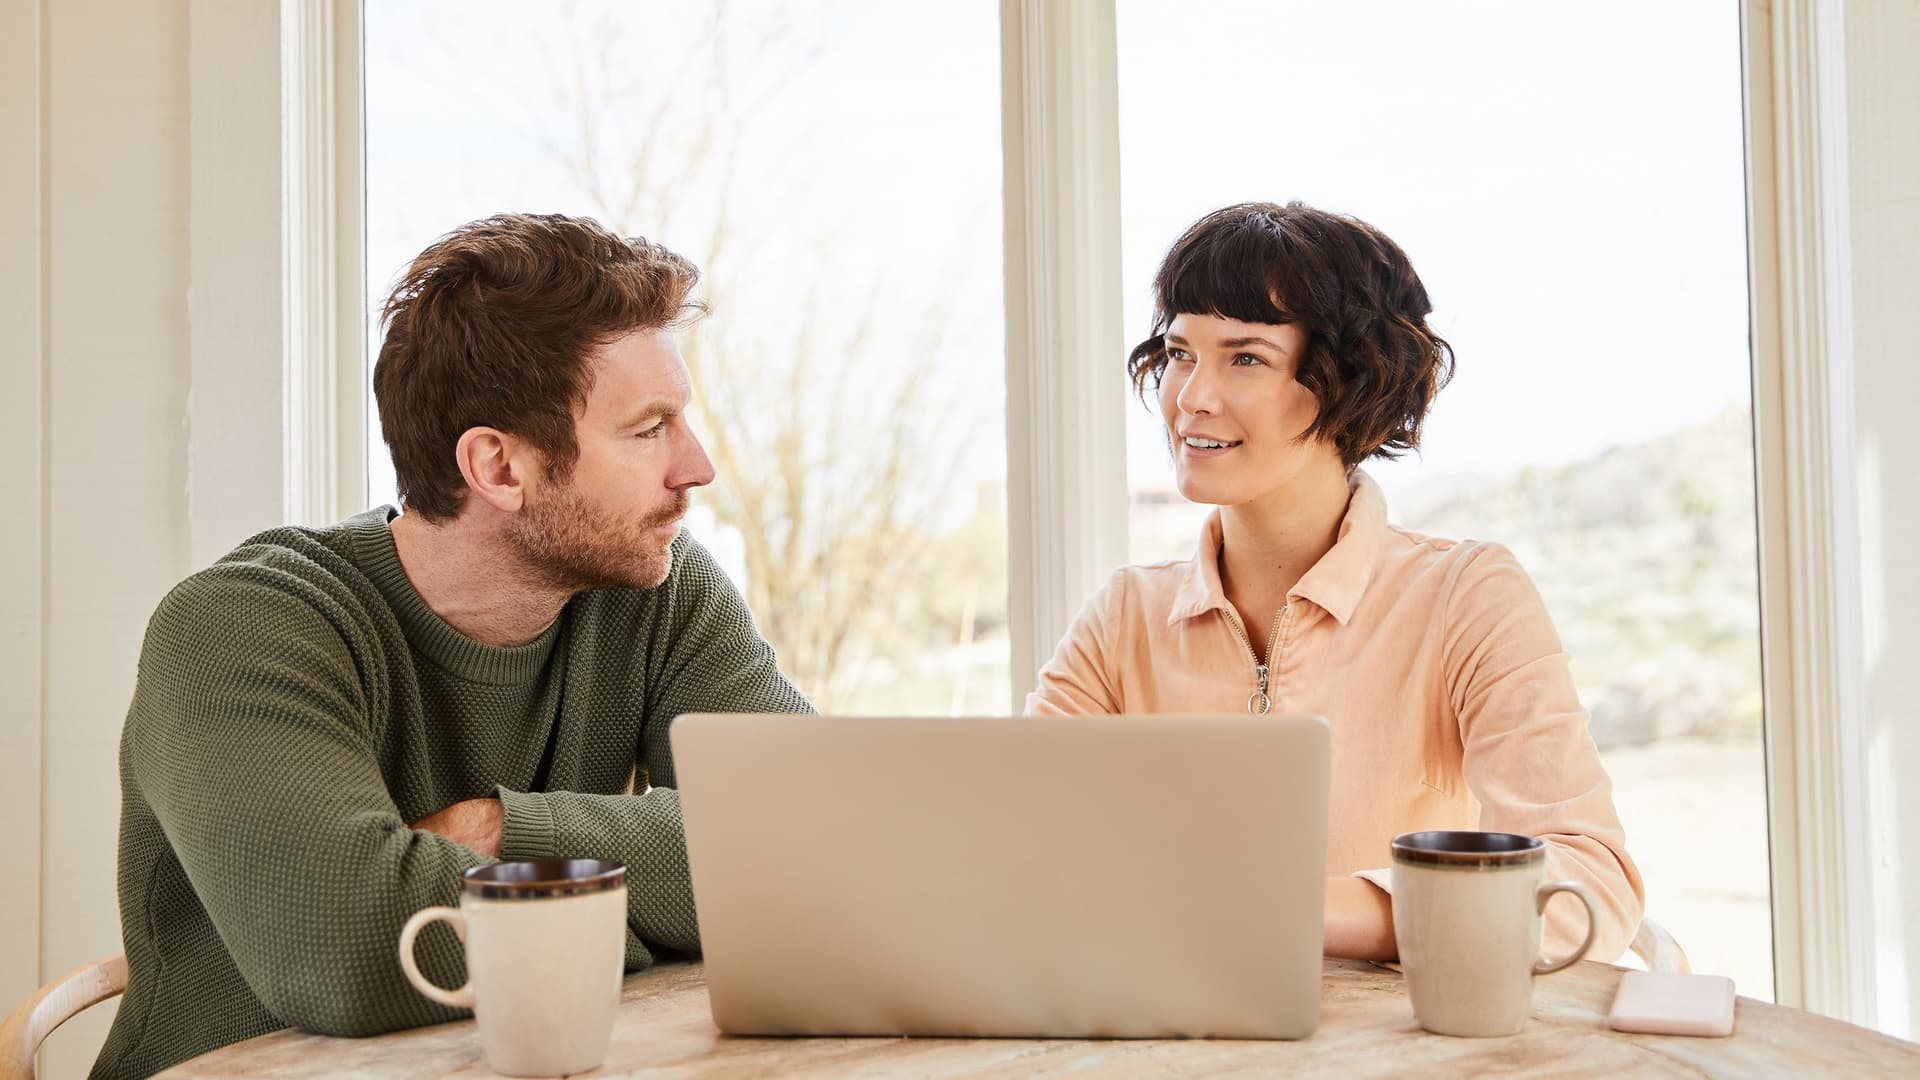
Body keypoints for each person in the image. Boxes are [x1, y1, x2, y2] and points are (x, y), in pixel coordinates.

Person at [94, 214, 811, 1078]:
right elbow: (355, 954)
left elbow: (824, 843)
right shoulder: (240, 628)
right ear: (499, 468)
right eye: (649, 427)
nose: (696, 467)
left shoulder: (660, 590)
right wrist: (688, 893)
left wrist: (504, 832)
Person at [1026, 201, 1644, 964]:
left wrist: (1271, 910)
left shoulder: (1465, 596)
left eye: (1245, 358)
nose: (1190, 397)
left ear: (1350, 381)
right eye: (1181, 352)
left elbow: (1588, 887)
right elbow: (1016, 848)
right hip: (1170, 1021)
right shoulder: (1126, 614)